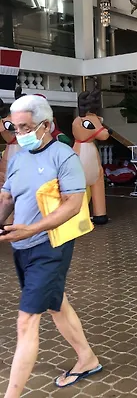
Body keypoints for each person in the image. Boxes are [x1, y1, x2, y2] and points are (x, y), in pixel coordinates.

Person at [0, 95, 102, 397]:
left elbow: (73, 204)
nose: (19, 134)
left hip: (50, 246)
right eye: (15, 127)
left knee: (26, 320)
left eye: (25, 127)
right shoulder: (18, 157)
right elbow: (7, 197)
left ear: (46, 125)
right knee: (57, 304)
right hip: (22, 247)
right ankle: (87, 359)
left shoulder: (64, 156)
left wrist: (31, 229)